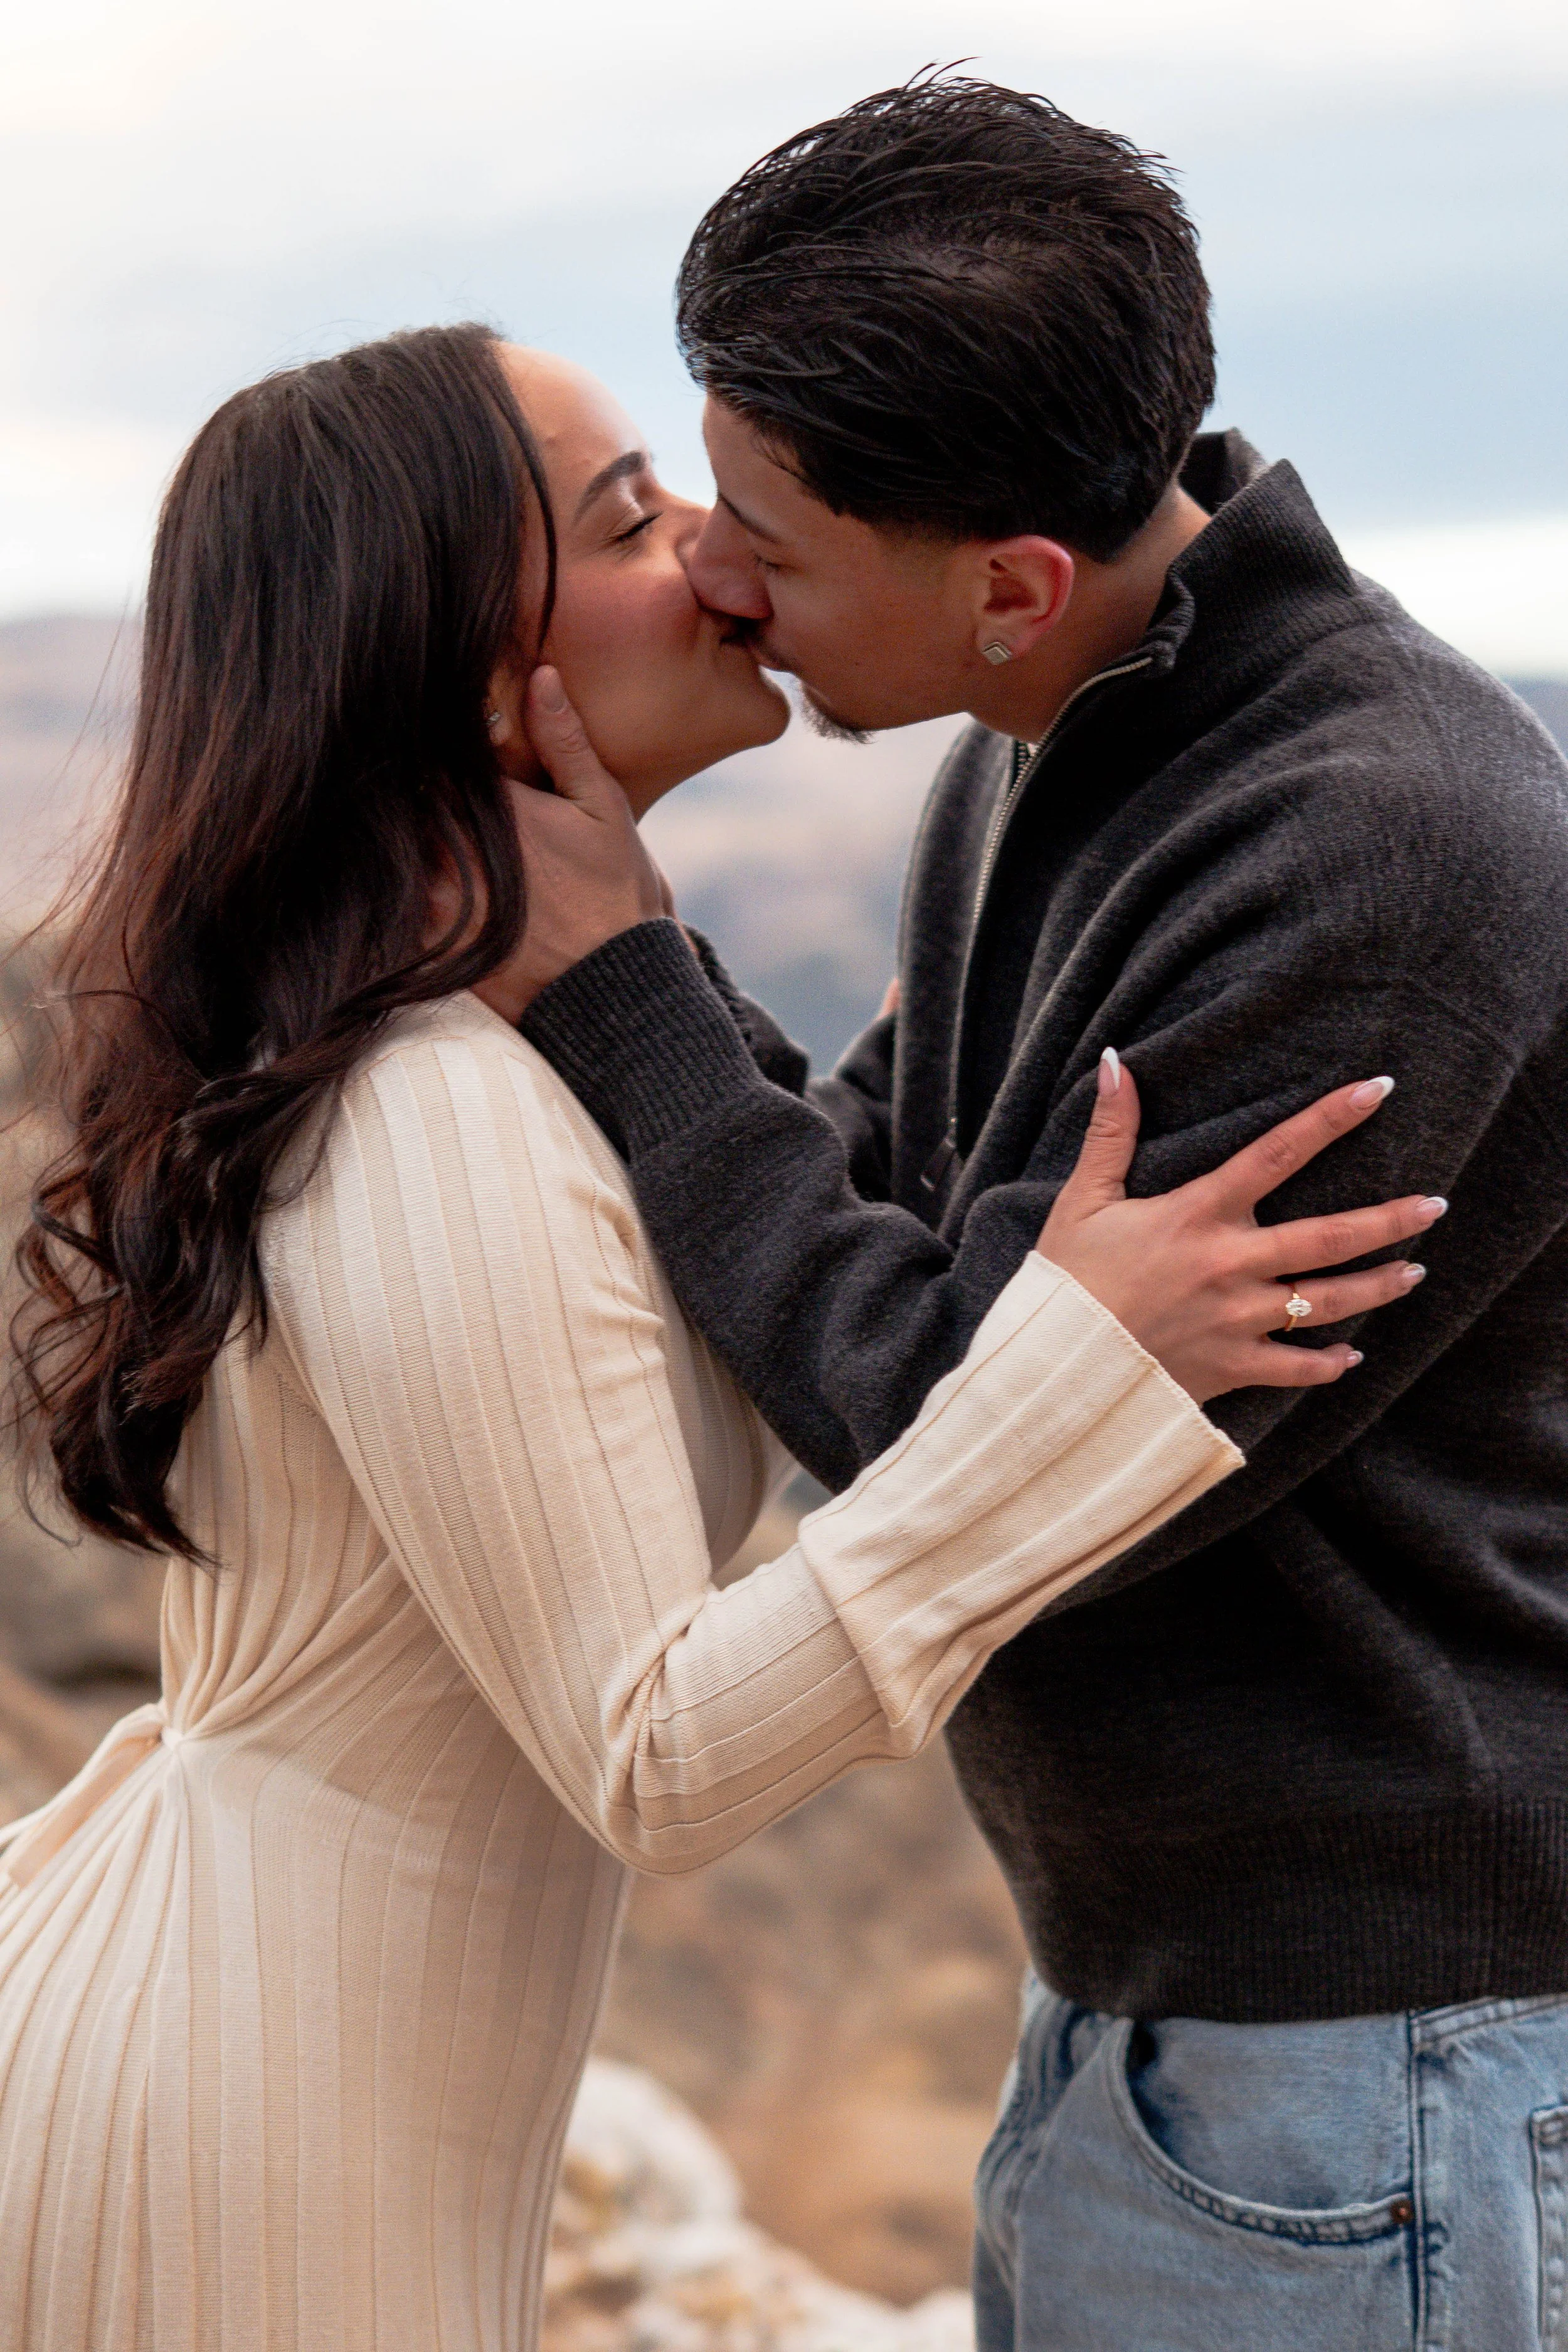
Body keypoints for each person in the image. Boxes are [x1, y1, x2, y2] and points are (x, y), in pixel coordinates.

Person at [0, 323, 1426, 2352]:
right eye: (632, 518)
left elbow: (809, 1190)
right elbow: (652, 1757)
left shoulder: (521, 1047)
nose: (720, 556)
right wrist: (1079, 1394)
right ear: (492, 681)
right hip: (252, 2112)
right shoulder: (430, 1112)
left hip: (328, 2063)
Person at [498, 77, 1568, 2352]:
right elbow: (868, 1203)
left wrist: (608, 974)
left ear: (1005, 585)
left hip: (1372, 2070)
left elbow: (936, 1432)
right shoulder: (1067, 726)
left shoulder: (1374, 850)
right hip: (1180, 2025)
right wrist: (640, 964)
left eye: (766, 537)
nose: (710, 569)